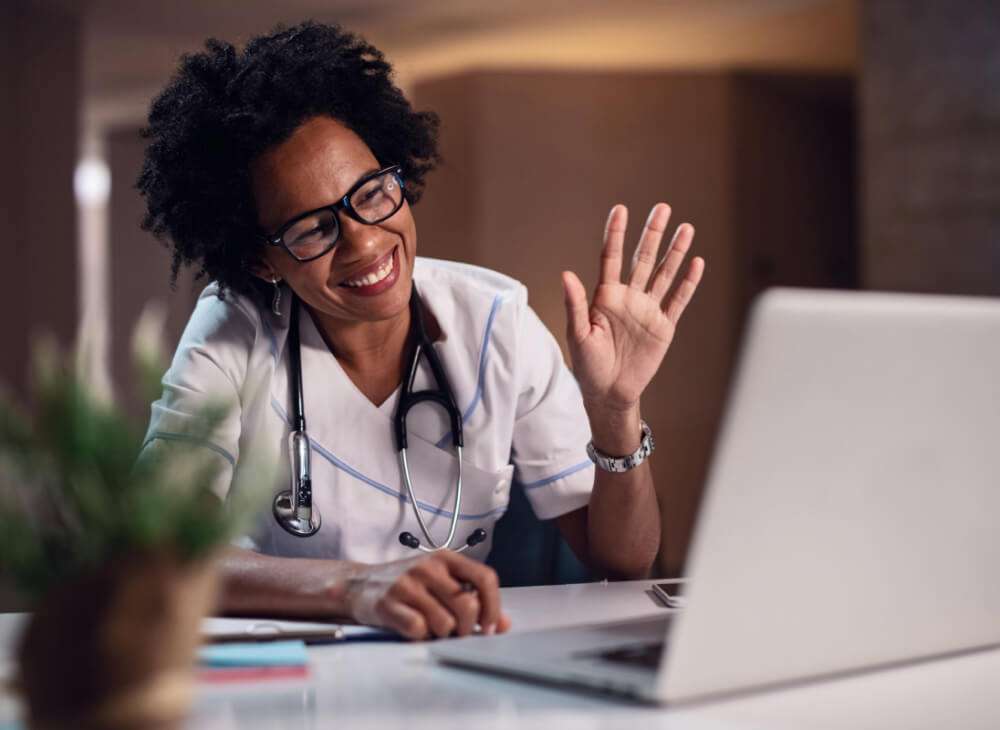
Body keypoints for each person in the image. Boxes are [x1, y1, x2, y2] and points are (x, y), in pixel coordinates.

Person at [137, 21, 704, 641]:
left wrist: (617, 411)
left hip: (455, 662)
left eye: (372, 193)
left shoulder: (496, 321)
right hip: (294, 677)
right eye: (311, 229)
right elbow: (157, 558)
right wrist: (356, 588)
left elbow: (623, 562)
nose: (365, 242)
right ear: (260, 260)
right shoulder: (232, 330)